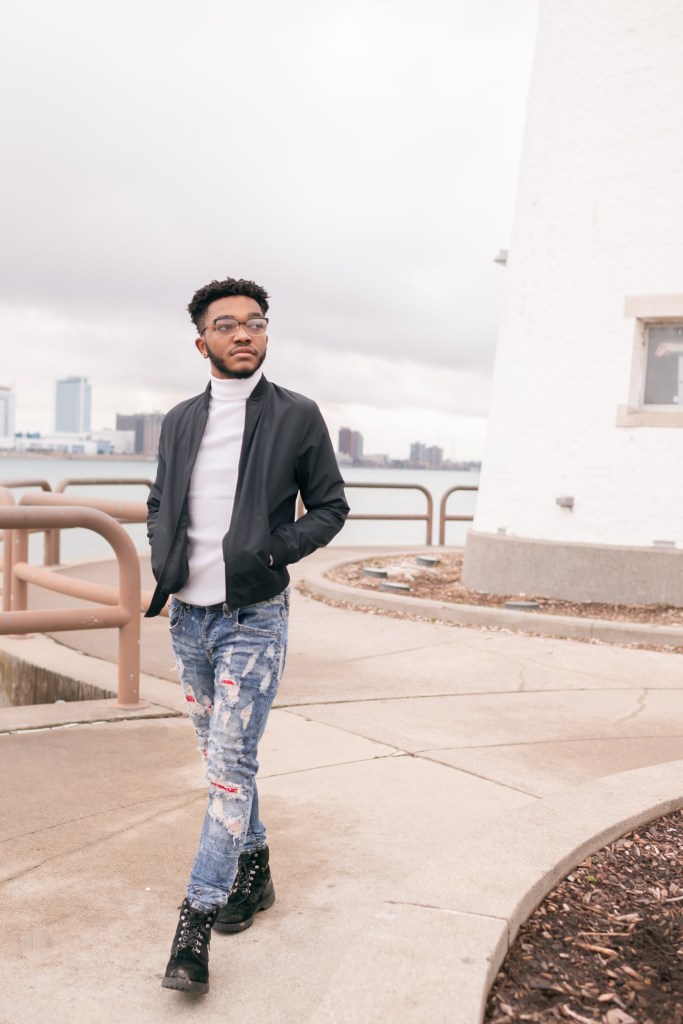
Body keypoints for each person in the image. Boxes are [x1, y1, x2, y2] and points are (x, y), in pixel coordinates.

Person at [146, 277, 349, 993]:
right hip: (187, 617)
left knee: (230, 764)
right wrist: (162, 556)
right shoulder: (178, 419)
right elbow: (160, 498)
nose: (243, 334)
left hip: (252, 617)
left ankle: (194, 923)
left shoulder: (296, 415)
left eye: (255, 323)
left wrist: (269, 552)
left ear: (266, 333)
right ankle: (254, 870)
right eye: (227, 324)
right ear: (201, 340)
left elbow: (329, 506)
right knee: (221, 760)